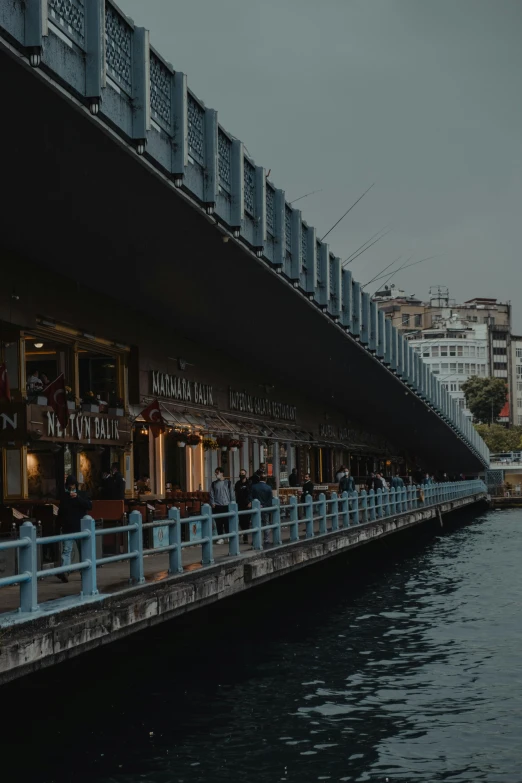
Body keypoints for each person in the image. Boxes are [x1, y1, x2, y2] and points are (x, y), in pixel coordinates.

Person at [57, 475, 92, 583]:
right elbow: (61, 512)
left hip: (77, 527)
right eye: (69, 487)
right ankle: (65, 571)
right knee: (69, 550)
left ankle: (79, 572)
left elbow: (89, 505)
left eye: (72, 486)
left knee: (72, 551)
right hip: (72, 527)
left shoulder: (81, 495)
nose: (71, 489)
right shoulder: (65, 497)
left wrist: (77, 498)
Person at [209, 467, 234, 545]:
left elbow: (232, 494)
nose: (216, 474)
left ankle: (228, 536)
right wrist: (212, 502)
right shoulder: (214, 484)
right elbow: (211, 494)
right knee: (218, 523)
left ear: (222, 473)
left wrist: (232, 503)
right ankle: (220, 537)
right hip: (217, 505)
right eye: (215, 473)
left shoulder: (228, 483)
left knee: (227, 522)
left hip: (226, 505)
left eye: (217, 472)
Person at [251, 472, 273, 546]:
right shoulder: (269, 488)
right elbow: (270, 500)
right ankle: (266, 539)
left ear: (259, 479)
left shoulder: (254, 487)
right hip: (265, 508)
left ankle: (256, 539)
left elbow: (251, 497)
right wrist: (265, 506)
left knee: (256, 524)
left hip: (256, 508)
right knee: (266, 523)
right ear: (266, 479)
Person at [235, 469, 252, 544]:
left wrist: (250, 502)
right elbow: (236, 493)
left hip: (247, 504)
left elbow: (252, 493)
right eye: (240, 473)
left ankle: (245, 536)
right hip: (239, 504)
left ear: (246, 474)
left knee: (247, 521)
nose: (241, 475)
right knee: (241, 521)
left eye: (243, 473)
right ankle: (244, 532)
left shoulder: (249, 483)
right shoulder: (237, 484)